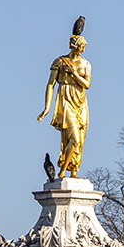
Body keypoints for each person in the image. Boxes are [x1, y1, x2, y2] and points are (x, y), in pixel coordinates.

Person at [37, 17, 91, 177]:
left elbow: (87, 84)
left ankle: (73, 171)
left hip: (80, 102)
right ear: (75, 47)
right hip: (65, 99)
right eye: (80, 48)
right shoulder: (60, 62)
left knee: (80, 140)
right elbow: (50, 84)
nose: (82, 51)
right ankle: (61, 172)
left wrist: (74, 74)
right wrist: (46, 108)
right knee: (73, 138)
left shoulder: (86, 64)